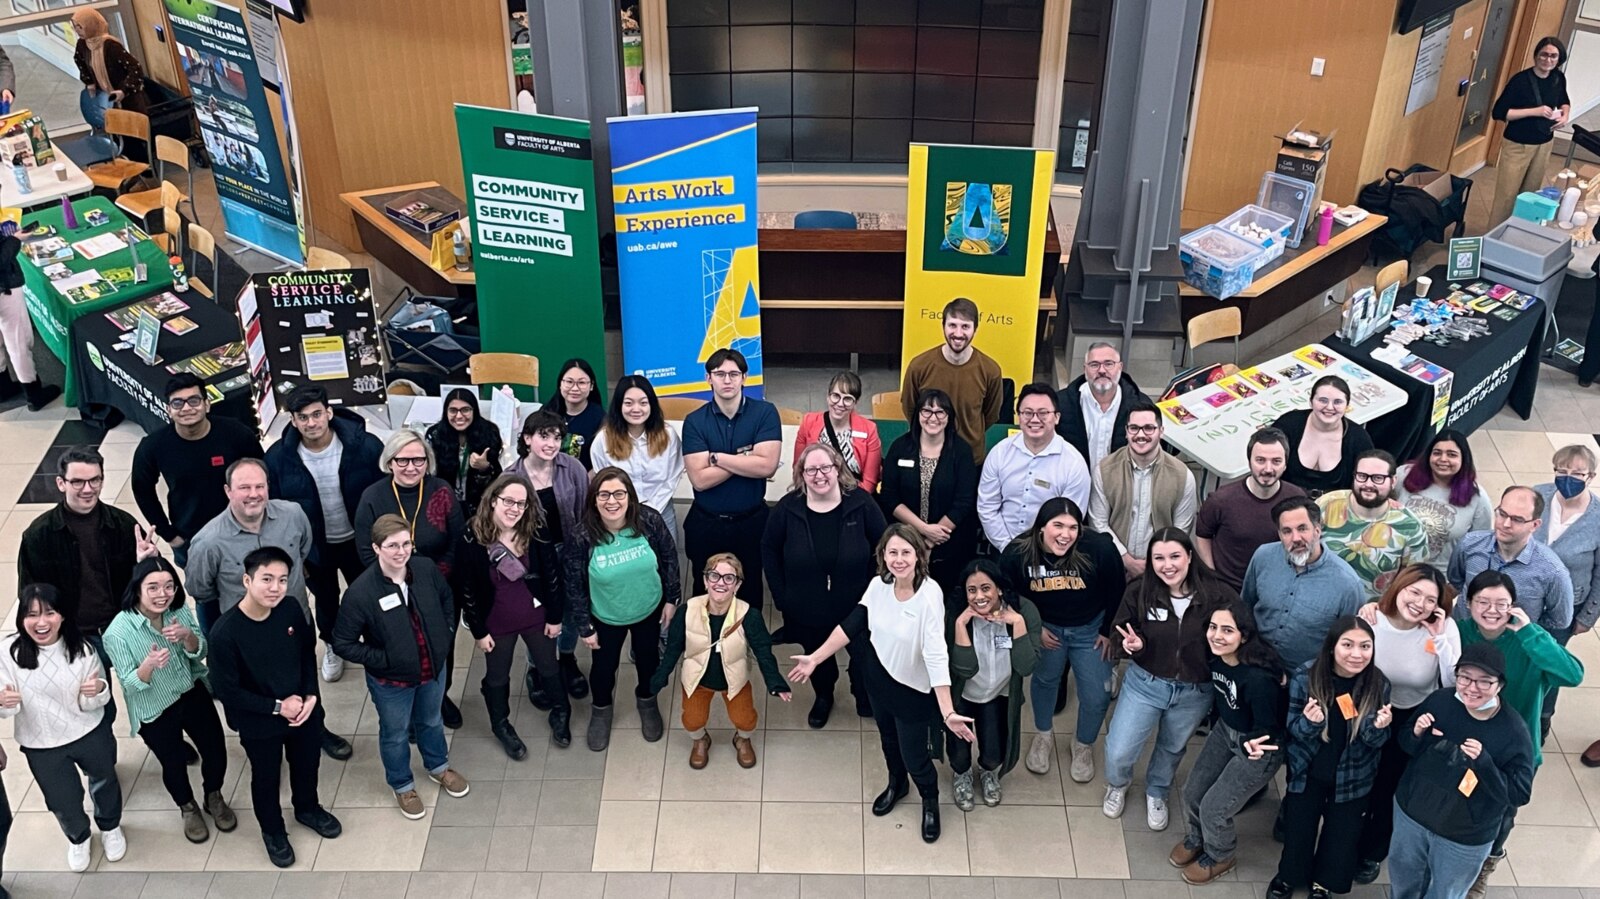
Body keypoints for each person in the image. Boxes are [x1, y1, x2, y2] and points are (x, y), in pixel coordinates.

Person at [788, 525, 977, 844]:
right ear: (883, 556)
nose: (899, 559)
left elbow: (935, 655)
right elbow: (853, 624)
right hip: (877, 680)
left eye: (906, 552)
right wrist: (816, 658)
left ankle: (929, 800)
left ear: (919, 555)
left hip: (912, 693)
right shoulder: (878, 585)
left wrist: (946, 711)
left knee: (915, 756)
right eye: (893, 552)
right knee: (888, 742)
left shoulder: (930, 596)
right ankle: (896, 785)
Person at [185, 459, 353, 761]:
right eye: (244, 487)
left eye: (259, 486)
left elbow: (303, 551)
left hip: (295, 624)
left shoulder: (292, 515)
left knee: (304, 680)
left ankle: (316, 728)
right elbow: (200, 590)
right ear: (227, 491)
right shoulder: (209, 541)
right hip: (247, 640)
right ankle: (266, 750)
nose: (253, 494)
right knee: (258, 694)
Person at [208, 547, 342, 868]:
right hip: (261, 720)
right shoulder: (225, 633)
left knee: (307, 764)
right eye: (266, 579)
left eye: (282, 579)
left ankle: (308, 809)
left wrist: (311, 696)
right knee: (266, 777)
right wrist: (278, 706)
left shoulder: (291, 609)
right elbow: (228, 691)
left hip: (302, 710)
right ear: (246, 580)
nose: (275, 587)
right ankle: (273, 831)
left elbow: (307, 653)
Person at [335, 514, 471, 820]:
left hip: (432, 670)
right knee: (395, 734)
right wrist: (384, 661)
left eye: (406, 543)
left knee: (432, 721)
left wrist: (444, 635)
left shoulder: (424, 569)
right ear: (376, 548)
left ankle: (438, 767)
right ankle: (402, 784)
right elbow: (343, 642)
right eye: (392, 545)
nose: (401, 551)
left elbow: (447, 599)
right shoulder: (360, 593)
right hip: (392, 683)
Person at [1455, 571, 1583, 896]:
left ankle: (1487, 865)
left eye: (1501, 603)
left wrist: (1530, 633)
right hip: (1465, 741)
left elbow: (1572, 675)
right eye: (1482, 601)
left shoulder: (1530, 638)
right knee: (1459, 803)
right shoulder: (1459, 633)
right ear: (1468, 603)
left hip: (1514, 749)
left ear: (1514, 606)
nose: (1492, 610)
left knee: (1502, 813)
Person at [1102, 529, 1235, 830]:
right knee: (1119, 748)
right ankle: (1117, 784)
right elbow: (1118, 631)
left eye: (1175, 556)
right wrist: (1132, 646)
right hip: (1145, 683)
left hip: (1195, 690)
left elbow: (1237, 633)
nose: (1167, 565)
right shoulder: (1139, 590)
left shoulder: (1217, 593)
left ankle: (1157, 790)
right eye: (1158, 558)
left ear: (1190, 556)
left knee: (1173, 747)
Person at [102, 557, 236, 844]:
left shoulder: (179, 611)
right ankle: (187, 807)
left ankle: (213, 794)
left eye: (169, 586)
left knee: (215, 748)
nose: (163, 594)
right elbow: (129, 683)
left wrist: (187, 636)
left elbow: (200, 650)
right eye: (153, 587)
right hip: (154, 707)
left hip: (189, 689)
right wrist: (149, 664)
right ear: (137, 588)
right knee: (173, 763)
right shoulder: (118, 632)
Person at [1388, 643, 1535, 899]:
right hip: (1412, 815)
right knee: (1404, 880)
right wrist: (1416, 733)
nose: (1472, 688)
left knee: (1446, 892)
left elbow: (1519, 794)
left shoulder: (1513, 731)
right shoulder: (1440, 700)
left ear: (1499, 685)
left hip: (1463, 835)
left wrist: (1485, 764)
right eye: (1465, 677)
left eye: (1484, 682)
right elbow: (1406, 744)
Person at [265, 385, 385, 683]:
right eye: (302, 417)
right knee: (327, 600)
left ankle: (375, 642)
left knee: (368, 594)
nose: (311, 423)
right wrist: (293, 556)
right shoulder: (279, 459)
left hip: (360, 542)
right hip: (315, 548)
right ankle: (332, 644)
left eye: (317, 414)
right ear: (292, 420)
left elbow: (384, 494)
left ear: (329, 413)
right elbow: (275, 513)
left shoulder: (364, 445)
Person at [0, 584, 123, 872]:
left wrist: (98, 690)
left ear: (63, 616)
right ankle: (78, 837)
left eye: (50, 613)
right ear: (21, 619)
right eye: (32, 615)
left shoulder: (83, 648)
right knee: (61, 799)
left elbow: (96, 701)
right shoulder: (7, 652)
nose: (41, 623)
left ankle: (110, 826)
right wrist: (3, 701)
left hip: (89, 732)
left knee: (105, 780)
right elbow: (8, 709)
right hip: (41, 744)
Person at [763, 442, 887, 727]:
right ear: (801, 474)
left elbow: (884, 545)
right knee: (818, 659)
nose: (819, 475)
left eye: (825, 468)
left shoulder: (861, 502)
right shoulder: (787, 508)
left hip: (858, 605)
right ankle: (824, 697)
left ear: (838, 469)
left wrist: (877, 590)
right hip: (807, 607)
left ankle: (863, 695)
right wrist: (782, 597)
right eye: (811, 470)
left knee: (863, 658)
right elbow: (768, 548)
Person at [1267, 617, 1392, 899]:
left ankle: (1324, 884)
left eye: (1365, 646)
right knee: (1299, 830)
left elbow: (1377, 742)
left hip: (1354, 775)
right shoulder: (1306, 676)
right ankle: (1289, 877)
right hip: (1308, 771)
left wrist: (1378, 728)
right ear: (1332, 647)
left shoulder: (1378, 684)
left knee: (1341, 837)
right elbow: (1294, 731)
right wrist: (1310, 723)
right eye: (1347, 645)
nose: (1356, 654)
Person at [1352, 564, 1462, 883]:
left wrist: (1440, 640)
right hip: (1370, 710)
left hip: (1414, 716)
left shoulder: (1444, 628)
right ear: (1399, 587)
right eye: (1415, 591)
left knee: (1391, 787)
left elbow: (1454, 683)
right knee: (1361, 782)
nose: (1420, 603)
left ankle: (1372, 851)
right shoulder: (1372, 619)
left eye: (1431, 599)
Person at [999, 498, 1123, 781]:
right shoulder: (1017, 552)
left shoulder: (1100, 548)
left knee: (1096, 694)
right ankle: (1043, 736)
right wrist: (1034, 628)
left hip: (1090, 630)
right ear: (1041, 527)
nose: (1065, 535)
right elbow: (1007, 593)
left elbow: (1117, 588)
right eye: (1057, 525)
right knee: (1045, 681)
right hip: (1047, 629)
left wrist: (1107, 631)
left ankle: (1083, 744)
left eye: (1073, 527)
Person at [18, 446, 158, 692]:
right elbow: (30, 595)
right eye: (78, 482)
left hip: (124, 627)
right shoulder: (39, 535)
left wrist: (145, 563)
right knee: (96, 704)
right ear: (61, 483)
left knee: (148, 695)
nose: (88, 489)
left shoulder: (123, 524)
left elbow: (148, 584)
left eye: (95, 480)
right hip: (77, 635)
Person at [353, 429, 466, 727]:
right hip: (390, 590)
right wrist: (398, 581)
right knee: (404, 646)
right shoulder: (373, 497)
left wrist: (430, 582)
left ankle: (439, 697)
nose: (411, 467)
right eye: (402, 460)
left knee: (442, 645)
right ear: (389, 461)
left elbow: (457, 541)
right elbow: (366, 551)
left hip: (438, 588)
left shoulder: (441, 490)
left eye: (418, 459)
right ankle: (413, 709)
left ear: (427, 461)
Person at [454, 473, 570, 757]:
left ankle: (561, 711)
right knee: (497, 677)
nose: (514, 509)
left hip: (537, 617)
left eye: (522, 503)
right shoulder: (472, 535)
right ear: (493, 500)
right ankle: (500, 723)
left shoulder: (536, 530)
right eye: (508, 501)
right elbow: (466, 587)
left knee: (549, 667)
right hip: (496, 622)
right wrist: (479, 631)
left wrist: (556, 618)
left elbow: (553, 576)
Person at [566, 467, 682, 751]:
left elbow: (669, 558)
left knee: (648, 661)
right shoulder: (583, 536)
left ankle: (647, 700)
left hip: (649, 610)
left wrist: (672, 598)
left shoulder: (649, 521)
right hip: (606, 618)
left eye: (619, 493)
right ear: (594, 500)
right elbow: (574, 584)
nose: (612, 501)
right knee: (604, 669)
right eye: (603, 494)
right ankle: (601, 710)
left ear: (629, 496)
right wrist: (584, 626)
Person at [1171, 599, 1286, 885]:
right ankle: (1199, 838)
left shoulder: (1258, 680)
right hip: (1226, 731)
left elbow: (1268, 728)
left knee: (1214, 807)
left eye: (1227, 630)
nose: (1217, 636)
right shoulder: (1214, 656)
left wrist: (1250, 744)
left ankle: (1221, 854)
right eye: (1213, 627)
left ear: (1244, 636)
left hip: (1258, 745)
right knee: (1191, 791)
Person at [650, 553, 792, 769]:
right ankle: (700, 740)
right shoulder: (686, 611)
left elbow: (764, 653)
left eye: (729, 578)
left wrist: (775, 682)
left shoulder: (749, 616)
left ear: (737, 586)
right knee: (692, 720)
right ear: (705, 581)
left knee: (745, 720)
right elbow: (673, 650)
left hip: (735, 681)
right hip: (697, 680)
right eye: (714, 576)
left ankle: (742, 739)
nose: (720, 583)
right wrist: (660, 677)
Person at [681, 348, 781, 604]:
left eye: (734, 374)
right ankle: (706, 643)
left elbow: (767, 466)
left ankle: (745, 643)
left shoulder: (765, 413)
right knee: (705, 591)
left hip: (751, 522)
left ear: (744, 378)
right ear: (708, 378)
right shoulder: (694, 421)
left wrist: (718, 458)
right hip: (707, 523)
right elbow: (700, 480)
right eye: (720, 374)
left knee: (749, 592)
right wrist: (746, 457)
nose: (727, 380)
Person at [132, 374, 264, 565]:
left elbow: (264, 472)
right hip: (190, 537)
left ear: (207, 404)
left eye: (194, 401)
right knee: (204, 592)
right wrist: (169, 535)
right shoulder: (153, 446)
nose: (186, 408)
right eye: (177, 403)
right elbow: (142, 490)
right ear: (169, 410)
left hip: (243, 529)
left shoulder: (235, 433)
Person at [947, 558, 1042, 812]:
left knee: (993, 752)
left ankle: (988, 773)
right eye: (972, 590)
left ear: (999, 588)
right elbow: (965, 669)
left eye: (986, 588)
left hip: (999, 693)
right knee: (958, 752)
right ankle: (962, 774)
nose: (979, 596)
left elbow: (1025, 667)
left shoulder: (1024, 610)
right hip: (963, 694)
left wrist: (1018, 623)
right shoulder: (954, 614)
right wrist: (960, 625)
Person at [510, 408, 593, 699]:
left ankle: (567, 658)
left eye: (557, 437)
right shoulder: (511, 477)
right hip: (532, 561)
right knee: (537, 614)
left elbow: (585, 513)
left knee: (570, 611)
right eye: (544, 436)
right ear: (527, 438)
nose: (551, 444)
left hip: (569, 551)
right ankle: (537, 665)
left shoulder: (573, 468)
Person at [878, 388, 979, 610]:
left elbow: (964, 500)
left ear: (949, 417)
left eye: (940, 412)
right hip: (905, 540)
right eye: (927, 411)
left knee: (940, 604)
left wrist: (932, 539)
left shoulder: (961, 451)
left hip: (949, 543)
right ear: (917, 415)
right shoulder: (900, 447)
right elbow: (889, 496)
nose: (933, 418)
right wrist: (922, 531)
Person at [1241, 496, 1367, 669]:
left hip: (1306, 678)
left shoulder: (1348, 584)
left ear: (1317, 530)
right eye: (1287, 531)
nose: (1296, 538)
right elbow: (1245, 605)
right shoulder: (1263, 557)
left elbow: (1349, 641)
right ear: (1279, 534)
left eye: (1302, 529)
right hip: (1256, 665)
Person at [1532, 444, 1600, 742]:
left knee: (1550, 661)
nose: (1567, 478)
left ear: (1592, 476)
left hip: (1566, 607)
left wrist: (1588, 616)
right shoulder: (1538, 495)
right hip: (1526, 597)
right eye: (1561, 471)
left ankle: (1543, 716)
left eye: (1576, 473)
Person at [1089, 400, 1197, 580]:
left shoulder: (1183, 476)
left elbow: (1181, 530)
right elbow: (1098, 523)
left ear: (1161, 432)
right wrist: (1127, 560)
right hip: (1113, 566)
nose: (1141, 435)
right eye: (1134, 428)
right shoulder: (1104, 470)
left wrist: (1156, 562)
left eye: (1148, 428)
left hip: (1162, 572)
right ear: (1126, 432)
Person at [977, 383, 1092, 553]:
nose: (1035, 419)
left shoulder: (1074, 463)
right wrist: (1007, 547)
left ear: (1057, 417)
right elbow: (987, 506)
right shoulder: (1000, 453)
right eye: (1027, 413)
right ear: (1019, 416)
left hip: (1051, 553)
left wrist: (1040, 551)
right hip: (1002, 548)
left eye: (1043, 413)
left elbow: (1070, 519)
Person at [1448, 485, 1575, 636]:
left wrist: (1526, 627)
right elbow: (1456, 581)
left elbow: (1561, 619)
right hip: (1462, 636)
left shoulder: (1553, 572)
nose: (1505, 524)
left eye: (1517, 519)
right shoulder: (1469, 545)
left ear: (1535, 525)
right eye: (1502, 514)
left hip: (1512, 647)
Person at [1196, 427, 1306, 591]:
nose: (1268, 469)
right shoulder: (1220, 500)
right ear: (1249, 462)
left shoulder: (1297, 498)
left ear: (1285, 464)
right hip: (1230, 589)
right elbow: (1202, 535)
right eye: (1260, 460)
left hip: (1277, 588)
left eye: (1276, 461)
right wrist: (1212, 577)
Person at [900, 297, 1004, 464]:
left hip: (971, 458)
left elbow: (991, 415)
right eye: (952, 325)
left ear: (975, 329)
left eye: (965, 326)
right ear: (943, 326)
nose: (958, 333)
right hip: (928, 455)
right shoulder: (918, 366)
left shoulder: (991, 371)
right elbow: (910, 408)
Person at [1316, 450, 1430, 600]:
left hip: (1371, 612)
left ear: (1393, 481)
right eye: (1362, 476)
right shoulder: (1326, 505)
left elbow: (1412, 581)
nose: (1368, 484)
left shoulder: (1410, 526)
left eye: (1378, 478)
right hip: (1318, 599)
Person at [1489, 37, 1570, 227]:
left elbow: (1564, 99)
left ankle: (1519, 232)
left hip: (1543, 143)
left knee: (1530, 194)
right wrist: (1535, 111)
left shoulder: (1558, 78)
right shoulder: (1520, 81)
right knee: (1507, 195)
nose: (1548, 60)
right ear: (1536, 55)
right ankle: (1495, 235)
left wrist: (1565, 115)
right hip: (1518, 144)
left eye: (1553, 56)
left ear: (1559, 59)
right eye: (1544, 55)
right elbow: (1499, 112)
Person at [590, 374, 686, 536]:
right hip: (619, 517)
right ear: (619, 405)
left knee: (666, 560)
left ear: (652, 405)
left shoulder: (668, 435)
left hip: (661, 512)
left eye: (643, 403)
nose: (636, 409)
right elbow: (603, 482)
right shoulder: (603, 440)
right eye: (628, 403)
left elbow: (673, 476)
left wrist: (651, 510)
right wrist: (627, 511)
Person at [1396, 430, 1493, 569]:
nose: (1443, 459)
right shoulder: (1404, 475)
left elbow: (1479, 546)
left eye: (1451, 454)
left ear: (1463, 459)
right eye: (1437, 453)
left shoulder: (1478, 497)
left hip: (1440, 576)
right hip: (1395, 567)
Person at [1270, 376, 1375, 499]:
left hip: (1334, 509)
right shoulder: (1288, 424)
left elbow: (1370, 480)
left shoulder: (1358, 439)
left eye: (1338, 402)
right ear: (1311, 401)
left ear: (1347, 405)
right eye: (1323, 400)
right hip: (1284, 502)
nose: (1330, 407)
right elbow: (1264, 462)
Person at [0, 220, 61, 410]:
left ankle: (3, 388)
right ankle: (33, 393)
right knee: (18, 340)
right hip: (4, 289)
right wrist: (14, 239)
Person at [1056, 342, 1143, 470]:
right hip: (1074, 487)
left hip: (1120, 488)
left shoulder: (1142, 406)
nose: (1102, 370)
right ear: (1085, 369)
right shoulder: (1060, 404)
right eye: (1094, 364)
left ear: (1120, 367)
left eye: (1108, 364)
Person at [794, 370, 883, 494]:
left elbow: (869, 483)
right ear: (828, 396)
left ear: (855, 402)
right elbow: (798, 469)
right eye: (835, 396)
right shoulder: (808, 422)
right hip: (815, 494)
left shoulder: (869, 429)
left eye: (847, 399)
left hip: (853, 498)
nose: (840, 404)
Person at [425, 387, 504, 515]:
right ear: (446, 412)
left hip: (480, 504)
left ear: (474, 411)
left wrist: (484, 468)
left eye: (465, 410)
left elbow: (498, 480)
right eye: (453, 410)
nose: (459, 416)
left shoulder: (489, 433)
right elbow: (430, 475)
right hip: (444, 503)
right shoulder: (435, 435)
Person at [71, 8, 149, 121]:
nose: (77, 30)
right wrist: (89, 81)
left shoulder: (111, 45)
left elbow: (135, 67)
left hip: (127, 99)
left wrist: (124, 90)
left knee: (132, 132)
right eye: (75, 27)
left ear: (91, 25)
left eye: (80, 27)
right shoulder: (83, 44)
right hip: (105, 98)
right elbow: (79, 61)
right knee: (115, 131)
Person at [549, 357, 604, 464]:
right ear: (560, 384)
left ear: (591, 385)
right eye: (569, 382)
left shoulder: (600, 419)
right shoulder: (547, 412)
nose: (575, 388)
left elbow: (600, 462)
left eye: (582, 383)